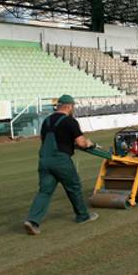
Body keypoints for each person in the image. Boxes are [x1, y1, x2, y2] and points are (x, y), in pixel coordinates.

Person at [23, 95, 98, 235]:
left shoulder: (46, 121)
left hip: (44, 160)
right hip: (60, 160)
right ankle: (82, 216)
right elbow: (81, 143)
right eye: (73, 107)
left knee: (44, 191)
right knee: (74, 186)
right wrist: (89, 143)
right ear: (69, 106)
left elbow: (45, 139)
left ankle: (32, 221)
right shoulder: (70, 121)